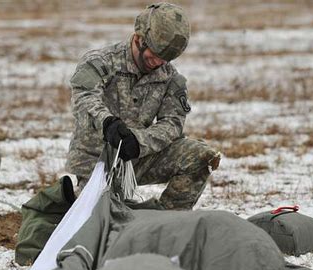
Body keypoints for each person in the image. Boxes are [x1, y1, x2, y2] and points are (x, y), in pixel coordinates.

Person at [65, 2, 220, 210]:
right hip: (98, 162)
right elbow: (84, 99)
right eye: (153, 55)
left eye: (164, 59)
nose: (157, 63)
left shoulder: (171, 79)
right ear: (139, 39)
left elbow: (172, 124)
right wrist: (108, 124)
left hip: (138, 157)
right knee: (103, 222)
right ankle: (85, 200)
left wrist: (139, 142)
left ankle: (168, 224)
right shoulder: (100, 62)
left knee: (201, 156)